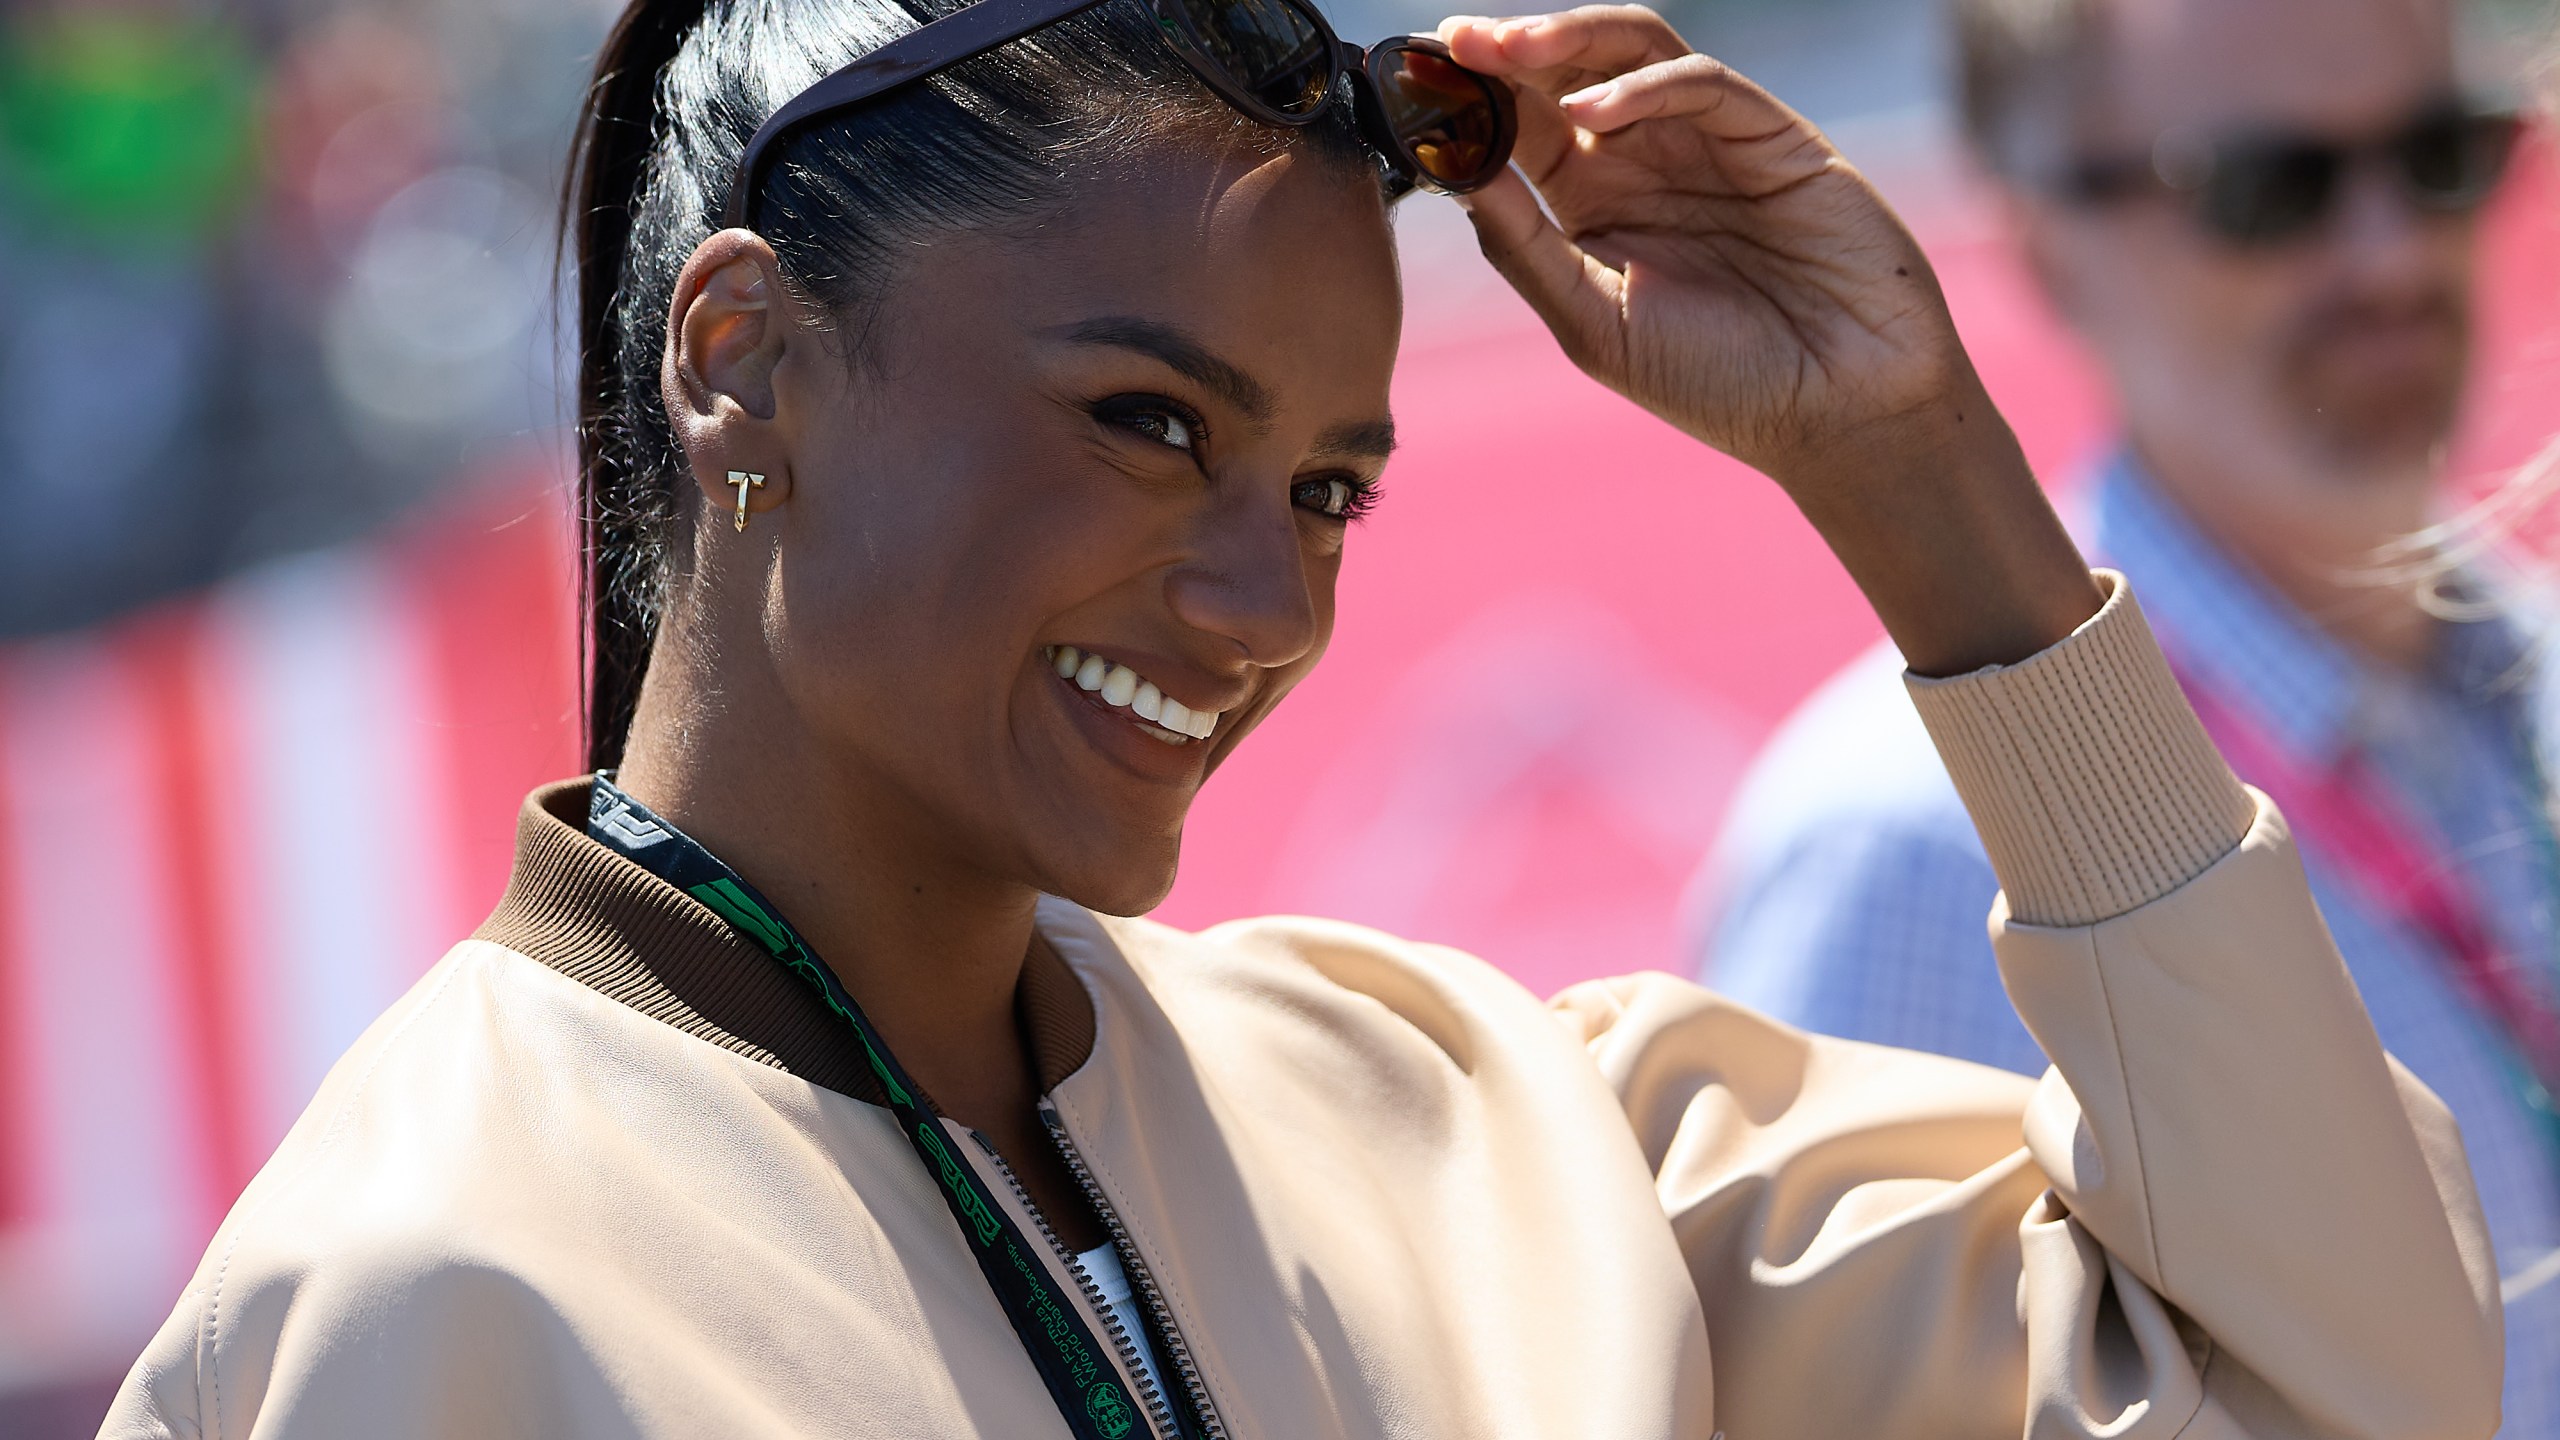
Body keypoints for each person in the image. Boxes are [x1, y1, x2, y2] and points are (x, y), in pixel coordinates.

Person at [100, 0, 2497, 1435]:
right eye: (1149, 424)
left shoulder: (1506, 1119)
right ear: (739, 359)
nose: (1266, 596)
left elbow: (2344, 1379)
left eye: (1332, 487)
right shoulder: (417, 1296)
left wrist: (1916, 478)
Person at [1688, 0, 2559, 1426]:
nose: (2393, 252)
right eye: (2268, 188)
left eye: (2438, 153)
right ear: (2042, 241)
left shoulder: (2534, 671)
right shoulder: (1901, 835)